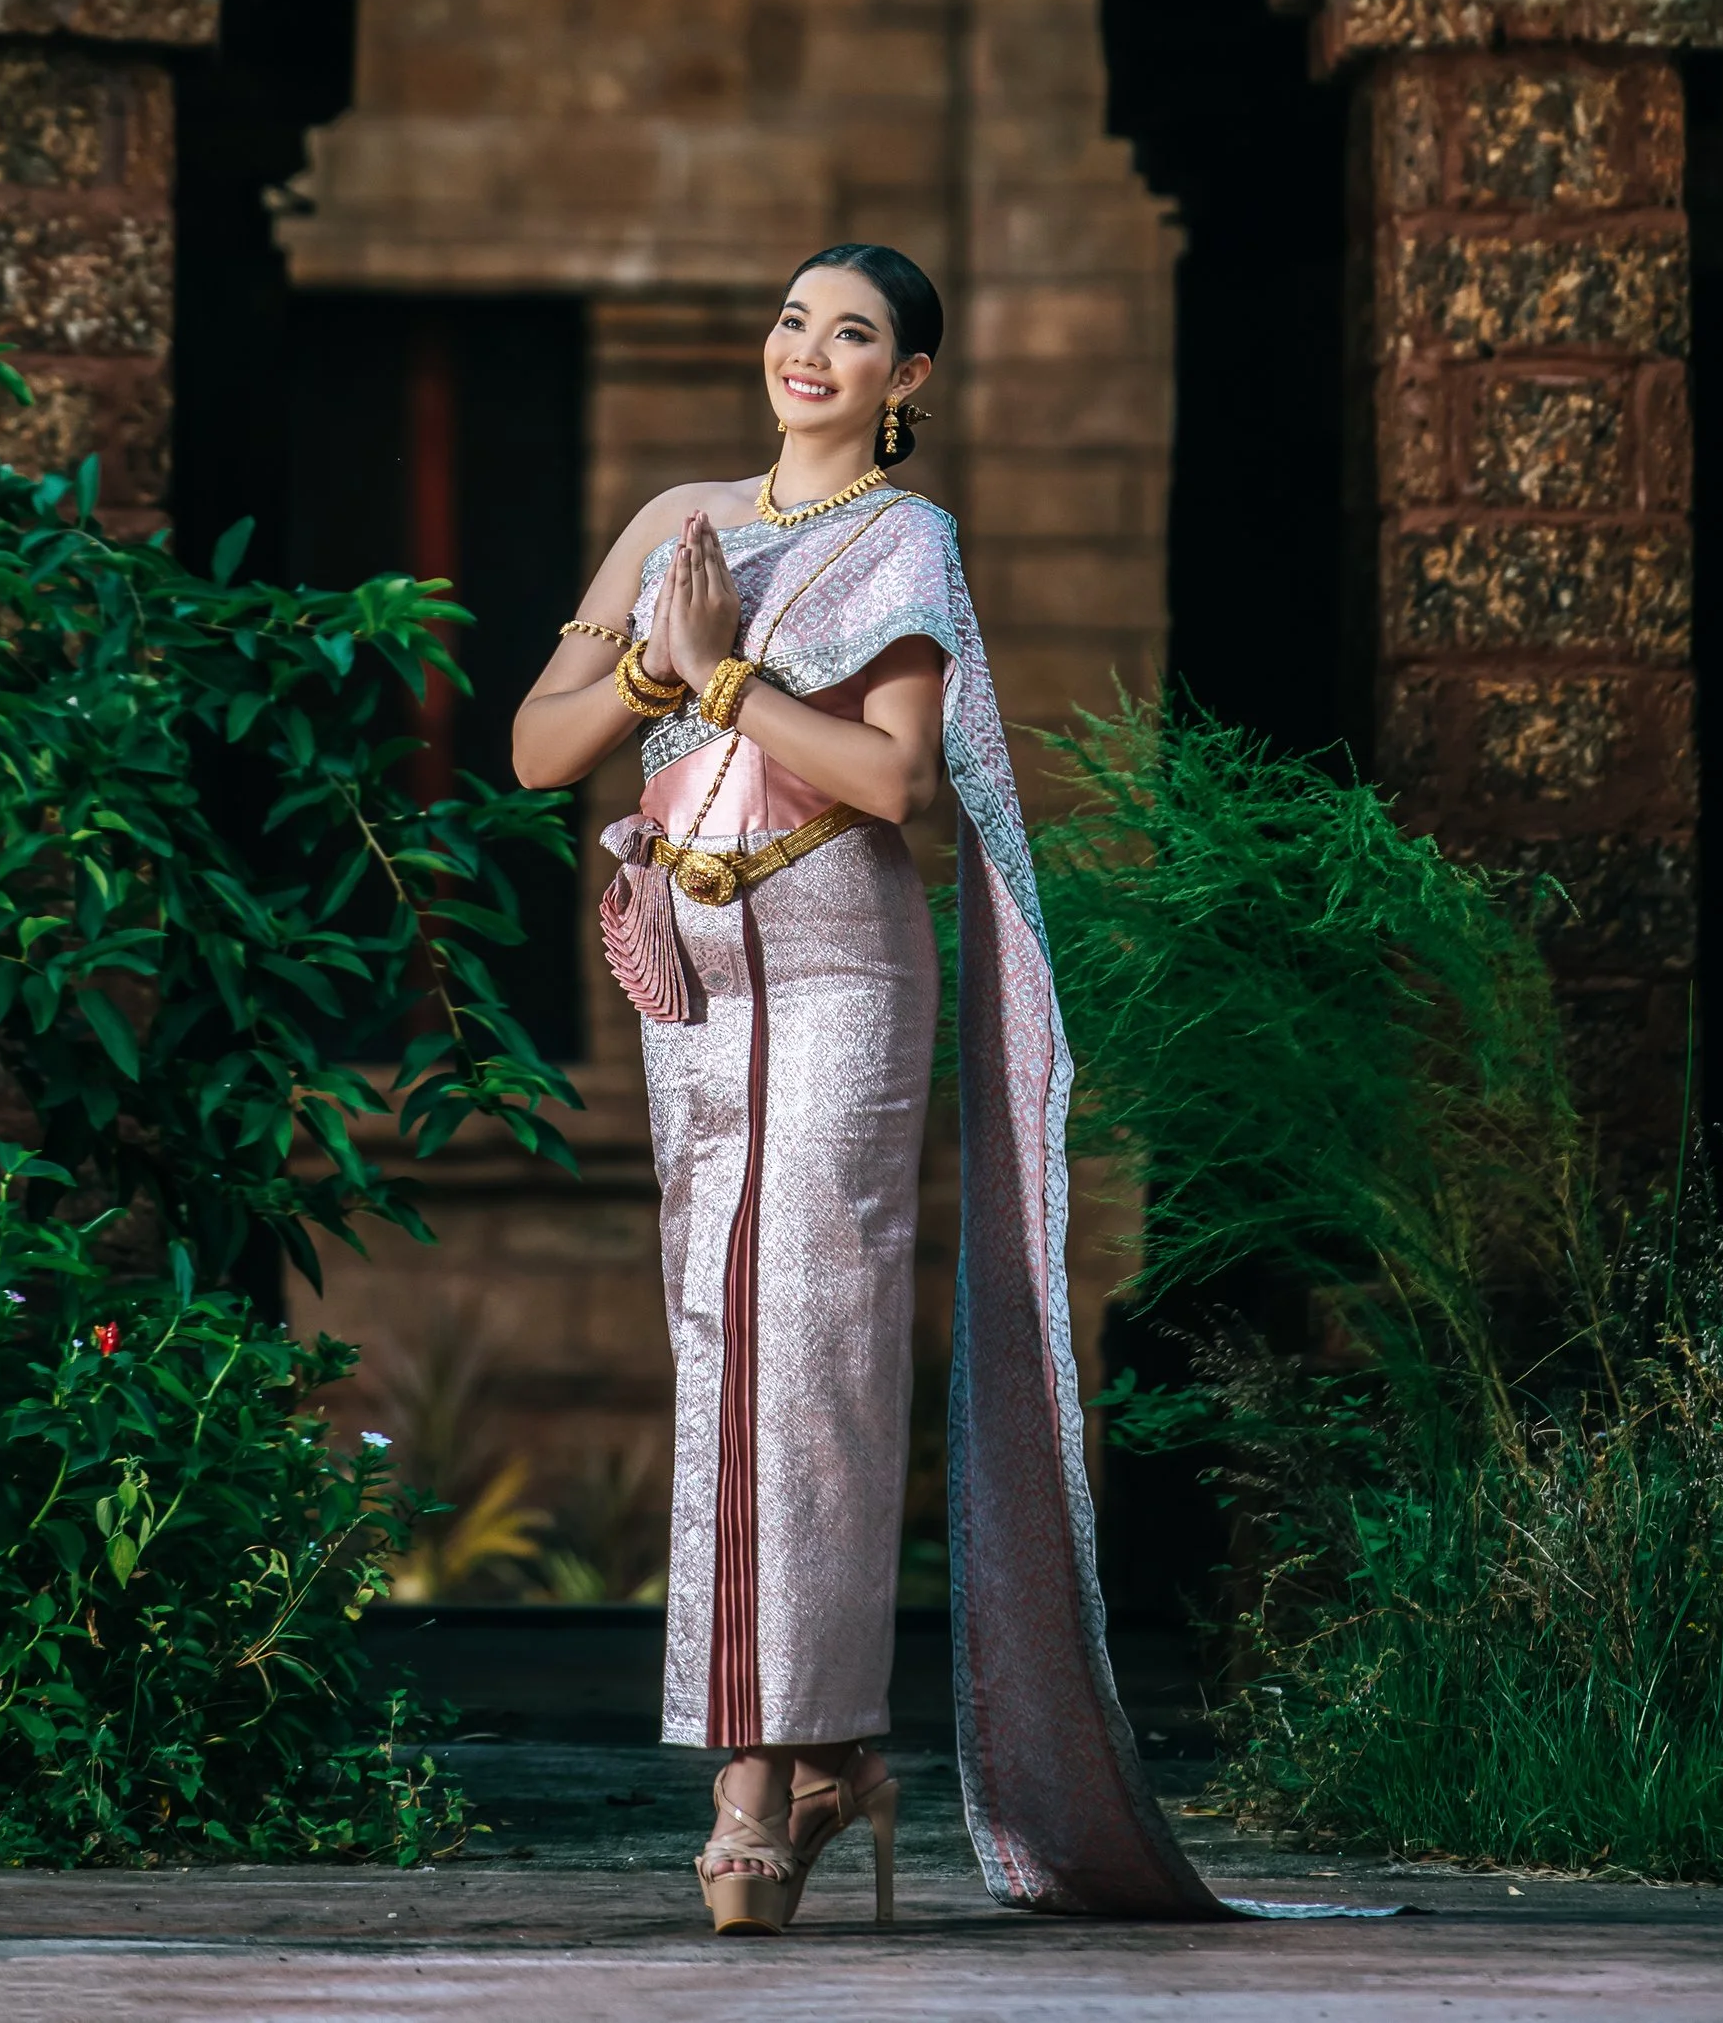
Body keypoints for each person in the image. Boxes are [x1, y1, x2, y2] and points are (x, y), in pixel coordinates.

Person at [514, 245, 1213, 1933]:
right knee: (717, 1334)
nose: (807, 350)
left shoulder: (906, 542)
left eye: (854, 334)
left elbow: (898, 779)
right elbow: (543, 748)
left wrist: (733, 674)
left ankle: (760, 1781)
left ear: (908, 382)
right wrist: (652, 673)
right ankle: (822, 1756)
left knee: (807, 1354)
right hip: (689, 992)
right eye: (791, 320)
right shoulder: (675, 518)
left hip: (839, 979)